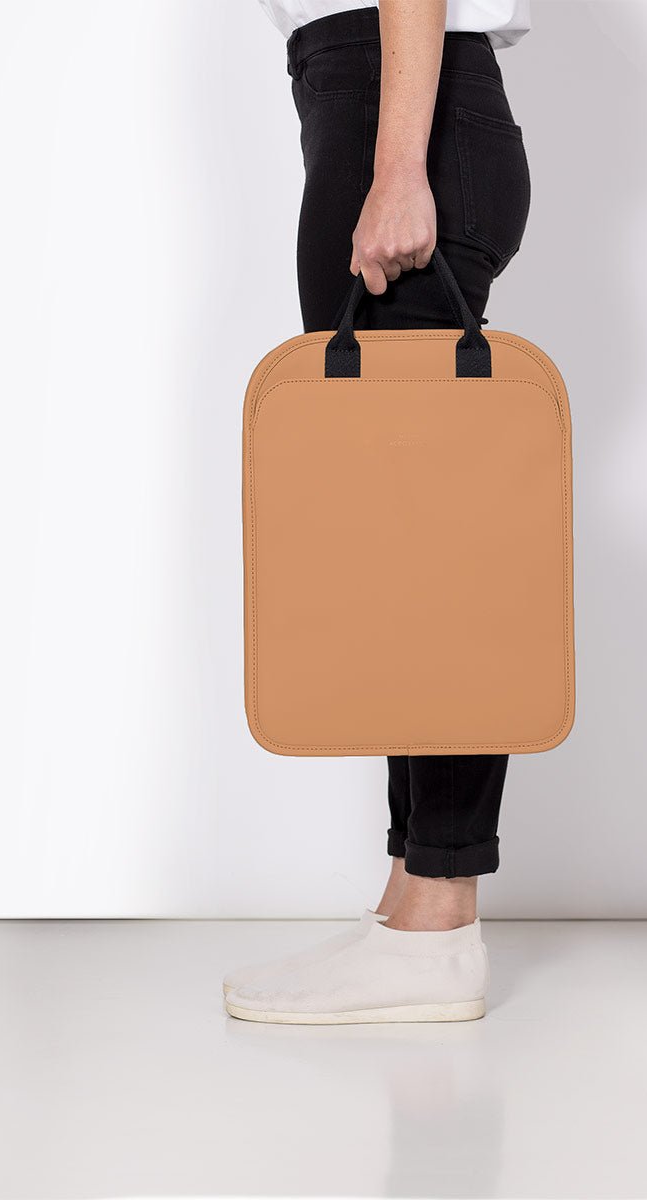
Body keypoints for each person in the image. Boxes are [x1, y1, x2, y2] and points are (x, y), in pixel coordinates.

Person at [224, 0, 532, 1024]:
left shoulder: (398, 141)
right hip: (383, 102)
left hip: (399, 111)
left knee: (428, 552)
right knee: (405, 546)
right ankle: (410, 901)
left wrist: (397, 168)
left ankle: (437, 923)